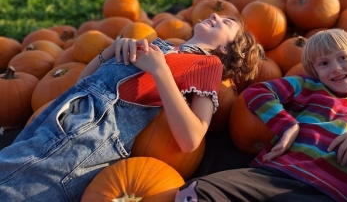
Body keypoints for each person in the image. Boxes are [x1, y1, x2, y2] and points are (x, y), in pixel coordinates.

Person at [0, 13, 261, 202]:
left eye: (227, 23)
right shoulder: (162, 46)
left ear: (226, 48)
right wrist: (112, 50)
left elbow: (191, 139)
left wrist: (160, 71)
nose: (215, 14)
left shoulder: (207, 66)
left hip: (91, 133)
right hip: (63, 113)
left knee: (18, 188)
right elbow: (83, 84)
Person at [175, 28, 347, 202]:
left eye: (343, 58)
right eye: (324, 63)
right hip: (275, 175)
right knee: (194, 192)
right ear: (314, 71)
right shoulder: (307, 87)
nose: (336, 68)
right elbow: (258, 92)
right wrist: (286, 125)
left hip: (332, 192)